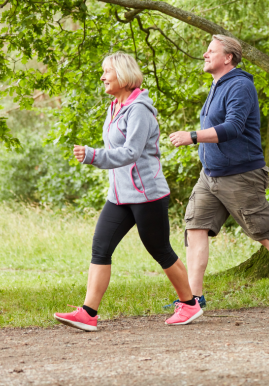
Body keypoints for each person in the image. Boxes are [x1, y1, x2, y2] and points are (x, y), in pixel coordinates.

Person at [54, 52, 202, 331]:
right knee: (101, 247)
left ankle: (190, 304)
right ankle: (88, 313)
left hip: (147, 195)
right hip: (119, 196)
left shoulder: (139, 110)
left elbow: (131, 152)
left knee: (160, 250)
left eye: (107, 71)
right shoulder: (115, 107)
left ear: (122, 75)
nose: (102, 77)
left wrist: (93, 156)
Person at [168, 35, 269, 307]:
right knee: (195, 228)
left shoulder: (239, 85)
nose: (204, 54)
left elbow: (233, 127)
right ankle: (193, 298)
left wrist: (193, 136)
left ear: (228, 57)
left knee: (262, 231)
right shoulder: (217, 85)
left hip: (240, 175)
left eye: (210, 50)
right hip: (210, 174)